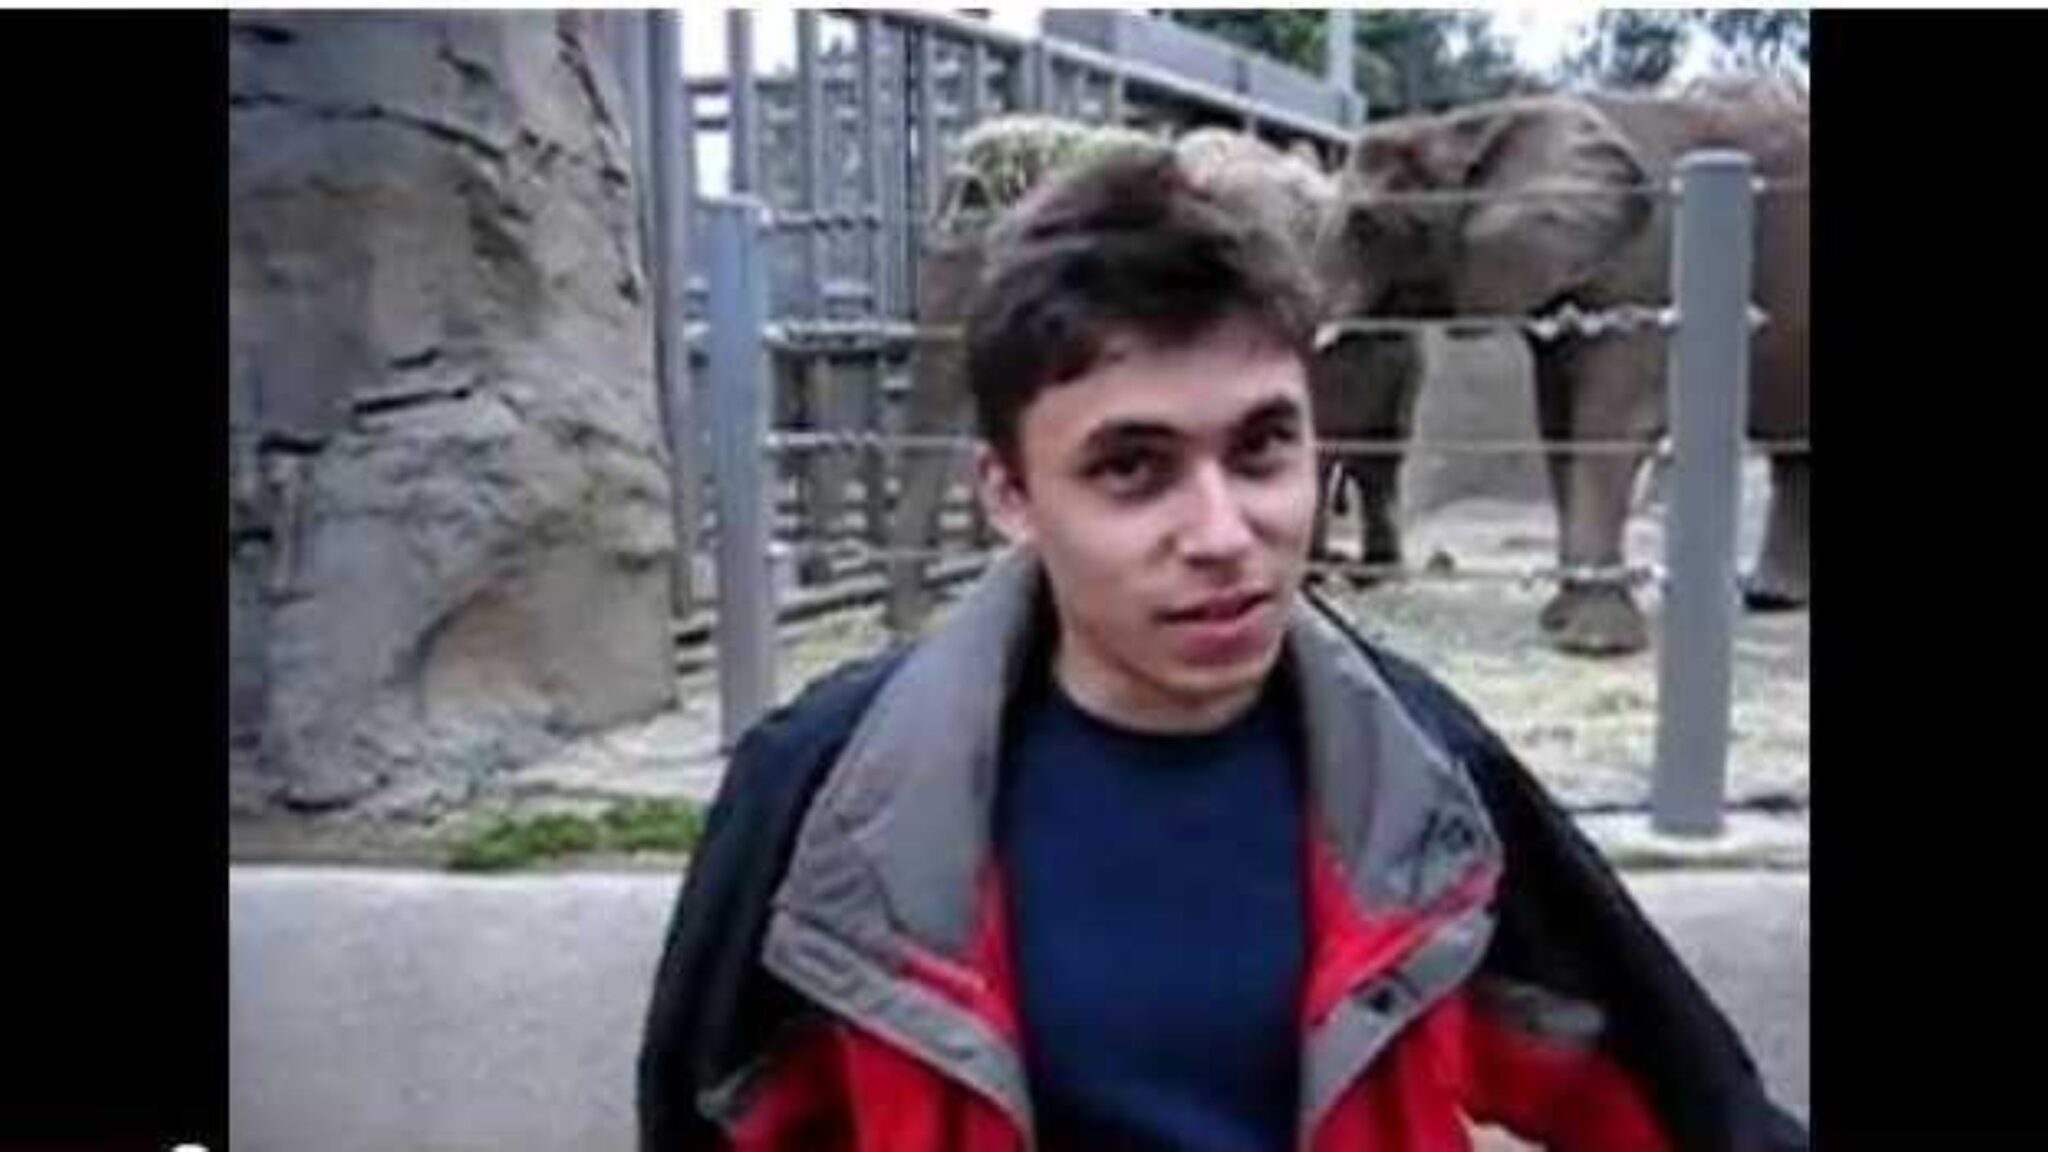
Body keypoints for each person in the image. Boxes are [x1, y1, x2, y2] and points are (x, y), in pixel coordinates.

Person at [637, 145, 1808, 1152]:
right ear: (1006, 495)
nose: (1219, 534)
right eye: (1131, 468)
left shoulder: (1419, 779)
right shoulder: (823, 800)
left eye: (1259, 451)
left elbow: (1684, 1105)